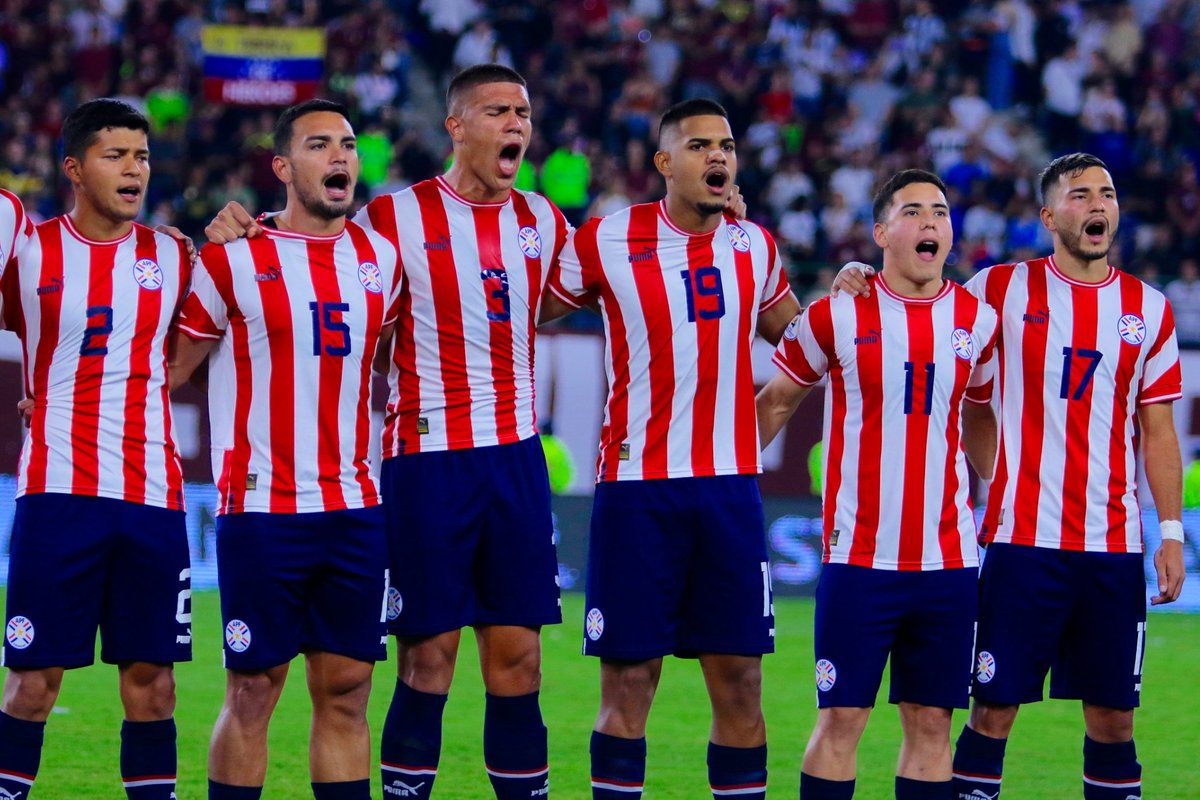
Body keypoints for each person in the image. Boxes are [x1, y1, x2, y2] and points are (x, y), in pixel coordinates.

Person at [204, 64, 571, 800]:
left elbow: (589, 289)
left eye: (524, 113)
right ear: (456, 126)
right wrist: (247, 227)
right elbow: (320, 261)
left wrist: (724, 215)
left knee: (519, 658)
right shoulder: (391, 222)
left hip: (516, 461)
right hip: (426, 462)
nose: (517, 126)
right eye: (498, 111)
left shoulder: (543, 220)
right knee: (426, 656)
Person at [834, 153, 1186, 799]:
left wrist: (1170, 531)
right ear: (1050, 217)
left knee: (1114, 720)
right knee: (993, 713)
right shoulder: (999, 291)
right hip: (1020, 548)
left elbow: (1158, 428)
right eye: (1080, 195)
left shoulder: (1150, 309)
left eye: (1106, 192)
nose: (1098, 204)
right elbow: (934, 330)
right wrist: (861, 273)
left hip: (1110, 551)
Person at [539, 98, 802, 800]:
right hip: (637, 491)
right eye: (699, 146)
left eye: (727, 145)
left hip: (728, 494)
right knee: (629, 680)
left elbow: (806, 345)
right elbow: (523, 314)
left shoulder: (755, 246)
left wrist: (849, 296)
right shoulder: (607, 239)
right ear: (664, 163)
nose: (718, 156)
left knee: (741, 681)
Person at [171, 99, 402, 800]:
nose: (340, 156)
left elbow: (390, 359)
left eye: (350, 144)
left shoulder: (381, 261)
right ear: (282, 166)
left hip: (356, 510)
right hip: (262, 509)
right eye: (319, 144)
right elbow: (170, 368)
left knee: (346, 691)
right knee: (253, 691)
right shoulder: (233, 259)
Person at [756, 170, 999, 800]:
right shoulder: (836, 315)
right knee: (841, 720)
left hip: (947, 561)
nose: (929, 222)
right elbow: (777, 402)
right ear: (880, 232)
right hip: (860, 558)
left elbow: (978, 411)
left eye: (940, 212)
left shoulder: (978, 321)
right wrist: (719, 475)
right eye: (912, 211)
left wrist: (1002, 486)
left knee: (931, 726)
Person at [0, 98, 192, 800]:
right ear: (75, 169)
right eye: (116, 155)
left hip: (152, 496)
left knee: (154, 688)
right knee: (32, 683)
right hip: (59, 491)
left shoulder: (174, 253)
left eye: (142, 155)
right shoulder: (27, 251)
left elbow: (211, 337)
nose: (135, 168)